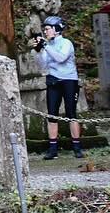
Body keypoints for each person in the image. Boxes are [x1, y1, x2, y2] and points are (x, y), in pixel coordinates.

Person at [35, 15, 83, 159]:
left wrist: (46, 46)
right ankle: (53, 148)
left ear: (57, 29)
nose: (46, 32)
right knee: (52, 115)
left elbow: (61, 58)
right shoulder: (47, 45)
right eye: (44, 29)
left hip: (69, 80)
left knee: (71, 114)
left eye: (48, 29)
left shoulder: (66, 43)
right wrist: (38, 51)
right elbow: (42, 66)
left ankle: (76, 146)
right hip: (53, 80)